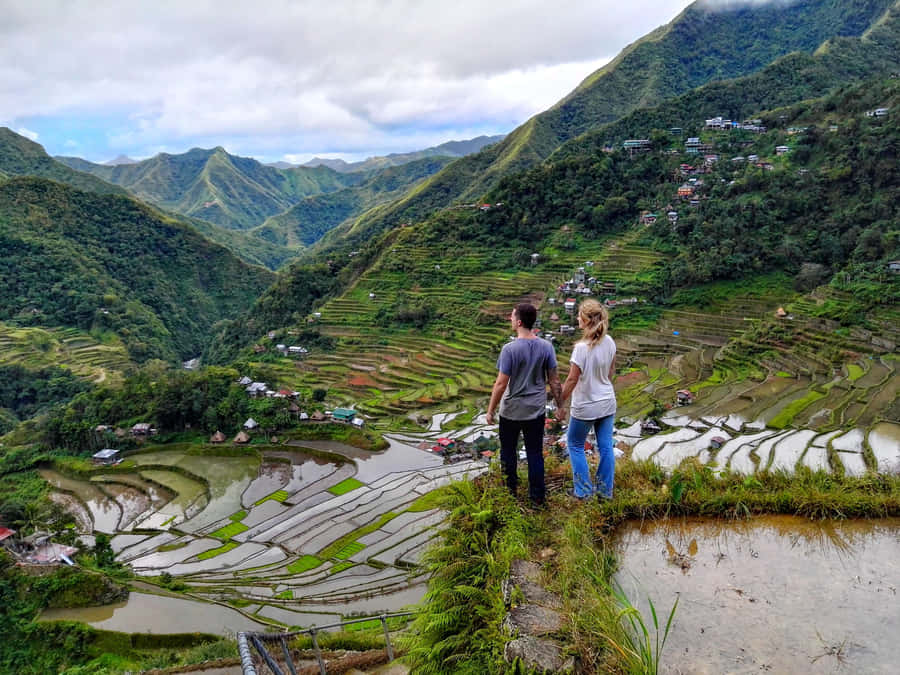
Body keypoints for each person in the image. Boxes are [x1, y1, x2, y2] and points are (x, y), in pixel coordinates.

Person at [486, 303, 562, 505]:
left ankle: (510, 494)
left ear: (519, 322)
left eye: (512, 317)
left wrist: (490, 410)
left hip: (511, 411)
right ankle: (537, 498)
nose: (510, 320)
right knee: (535, 453)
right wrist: (561, 406)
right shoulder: (546, 347)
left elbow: (501, 383)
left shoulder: (509, 349)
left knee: (508, 453)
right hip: (535, 410)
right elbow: (554, 381)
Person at [558, 299, 617, 501]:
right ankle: (604, 492)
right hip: (607, 401)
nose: (576, 319)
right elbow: (610, 373)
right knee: (606, 446)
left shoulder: (582, 348)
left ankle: (583, 491)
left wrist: (560, 402)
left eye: (579, 316)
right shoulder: (610, 342)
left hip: (586, 405)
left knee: (574, 444)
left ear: (585, 319)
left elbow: (572, 378)